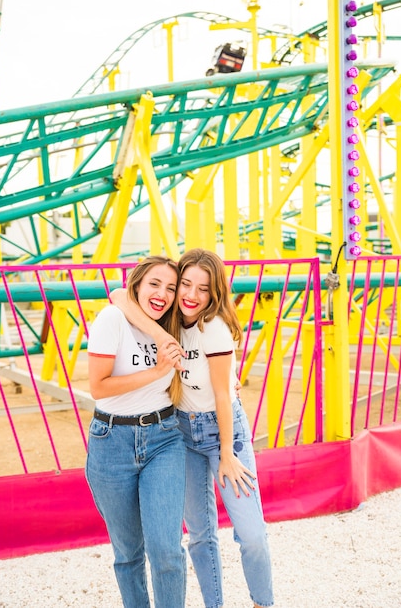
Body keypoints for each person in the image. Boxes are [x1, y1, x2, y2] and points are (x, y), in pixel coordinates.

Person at [111, 248, 274, 608]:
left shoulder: (211, 327)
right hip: (180, 432)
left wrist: (229, 454)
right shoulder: (168, 317)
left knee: (251, 535)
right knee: (200, 535)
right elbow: (119, 294)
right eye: (185, 284)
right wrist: (161, 334)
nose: (191, 295)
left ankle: (264, 602)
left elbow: (220, 393)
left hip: (222, 430)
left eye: (203, 289)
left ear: (214, 293)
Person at [85, 255, 187, 608]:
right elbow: (98, 386)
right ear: (138, 286)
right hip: (112, 442)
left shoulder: (174, 324)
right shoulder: (113, 319)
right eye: (154, 284)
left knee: (167, 550)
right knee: (128, 553)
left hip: (164, 439)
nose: (163, 294)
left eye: (171, 288)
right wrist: (158, 370)